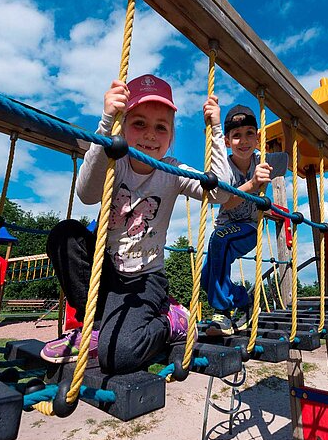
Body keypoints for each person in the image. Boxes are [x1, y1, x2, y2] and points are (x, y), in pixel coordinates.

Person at [41, 74, 232, 373]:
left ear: (171, 137)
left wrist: (216, 129)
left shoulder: (174, 170)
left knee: (121, 355)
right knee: (65, 234)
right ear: (123, 125)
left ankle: (171, 322)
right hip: (107, 272)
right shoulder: (114, 160)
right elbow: (86, 193)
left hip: (145, 280)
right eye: (139, 123)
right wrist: (106, 122)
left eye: (161, 127)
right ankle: (95, 327)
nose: (150, 135)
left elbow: (219, 192)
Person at [203, 105, 289, 336]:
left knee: (218, 240)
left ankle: (221, 314)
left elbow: (291, 151)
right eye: (237, 136)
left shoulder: (264, 160)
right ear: (228, 141)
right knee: (206, 280)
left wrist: (293, 120)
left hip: (249, 228)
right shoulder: (225, 167)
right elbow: (224, 203)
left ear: (258, 137)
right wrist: (252, 184)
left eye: (250, 133)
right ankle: (243, 299)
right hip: (225, 226)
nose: (244, 141)